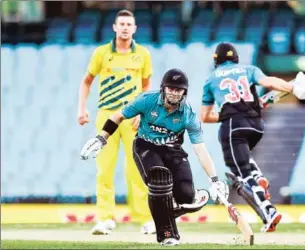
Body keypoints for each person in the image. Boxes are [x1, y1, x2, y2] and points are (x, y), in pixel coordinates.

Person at [80, 68, 229, 246]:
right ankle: (167, 234)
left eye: (178, 89)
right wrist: (101, 138)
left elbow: (200, 149)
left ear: (184, 92)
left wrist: (214, 180)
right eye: (171, 88)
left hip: (173, 150)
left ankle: (173, 205)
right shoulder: (146, 100)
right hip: (145, 145)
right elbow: (118, 116)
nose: (174, 92)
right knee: (159, 179)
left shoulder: (188, 114)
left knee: (186, 197)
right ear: (163, 88)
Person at [199, 42, 305, 232]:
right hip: (256, 125)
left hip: (233, 127)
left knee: (241, 174)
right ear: (235, 58)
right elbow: (269, 82)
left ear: (216, 61)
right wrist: (292, 88)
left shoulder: (211, 80)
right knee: (245, 160)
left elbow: (204, 116)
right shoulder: (249, 69)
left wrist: (228, 114)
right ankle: (258, 176)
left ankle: (268, 211)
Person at [77, 9, 154, 235]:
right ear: (114, 27)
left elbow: (147, 86)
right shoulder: (102, 53)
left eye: (128, 24)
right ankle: (105, 219)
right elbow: (86, 82)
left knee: (137, 169)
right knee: (104, 169)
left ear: (134, 28)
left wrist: (143, 112)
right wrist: (82, 109)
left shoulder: (142, 54)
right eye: (121, 24)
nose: (124, 28)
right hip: (106, 116)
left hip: (132, 118)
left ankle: (145, 219)